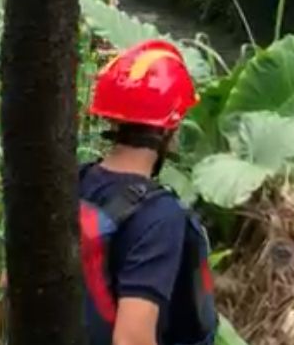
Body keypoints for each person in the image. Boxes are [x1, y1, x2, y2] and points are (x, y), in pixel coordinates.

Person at [80, 39, 217, 345]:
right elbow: (131, 339)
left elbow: (10, 287)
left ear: (112, 119)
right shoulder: (160, 217)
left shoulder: (72, 182)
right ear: (170, 129)